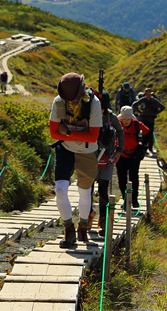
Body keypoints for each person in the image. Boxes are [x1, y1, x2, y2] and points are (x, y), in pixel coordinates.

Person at [50, 73, 102, 247]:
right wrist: (79, 135)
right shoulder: (59, 102)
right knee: (60, 190)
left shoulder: (93, 103)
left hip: (87, 152)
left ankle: (82, 227)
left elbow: (93, 137)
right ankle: (69, 230)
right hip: (64, 149)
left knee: (84, 192)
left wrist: (69, 133)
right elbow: (53, 132)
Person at [93, 92, 124, 237]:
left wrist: (119, 151)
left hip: (107, 156)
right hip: (91, 156)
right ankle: (87, 216)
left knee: (103, 188)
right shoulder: (90, 115)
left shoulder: (112, 118)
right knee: (87, 189)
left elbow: (120, 131)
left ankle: (102, 219)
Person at [115, 106, 149, 209]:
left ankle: (134, 200)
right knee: (122, 179)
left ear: (132, 118)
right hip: (120, 156)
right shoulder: (117, 124)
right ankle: (125, 200)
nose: (125, 121)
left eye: (128, 119)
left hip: (134, 156)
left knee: (134, 177)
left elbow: (148, 133)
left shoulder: (137, 125)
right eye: (124, 119)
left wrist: (143, 147)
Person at [132, 87, 165, 153]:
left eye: (150, 94)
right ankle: (144, 146)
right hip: (144, 118)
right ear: (145, 94)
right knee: (144, 133)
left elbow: (162, 107)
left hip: (151, 119)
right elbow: (134, 105)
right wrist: (139, 111)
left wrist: (156, 113)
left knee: (150, 133)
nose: (148, 96)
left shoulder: (154, 101)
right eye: (147, 94)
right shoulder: (143, 100)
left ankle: (150, 148)